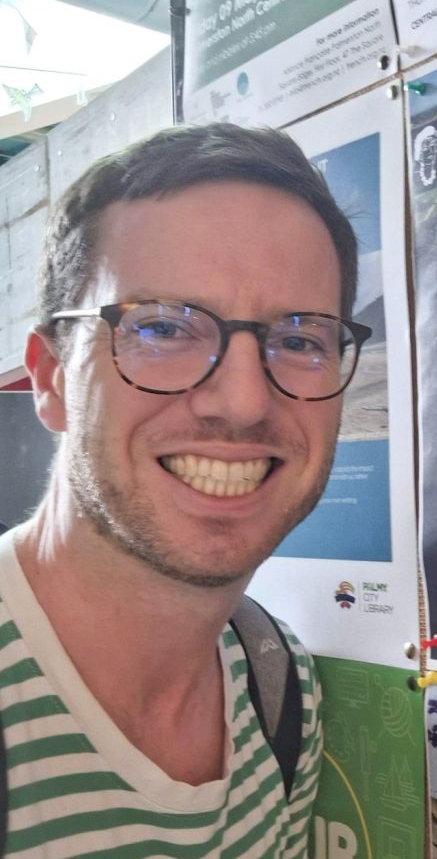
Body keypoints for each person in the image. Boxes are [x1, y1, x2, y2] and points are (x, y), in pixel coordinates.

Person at [0, 123, 371, 856]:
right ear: (50, 380)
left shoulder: (278, 683)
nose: (242, 402)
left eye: (299, 340)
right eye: (164, 328)